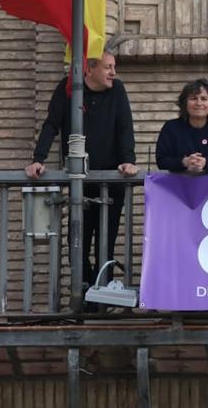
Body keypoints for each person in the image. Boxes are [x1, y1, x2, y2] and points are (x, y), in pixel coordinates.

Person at [25, 48, 137, 287]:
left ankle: (101, 303)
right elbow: (51, 125)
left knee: (105, 244)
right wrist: (39, 159)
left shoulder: (117, 90)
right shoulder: (68, 89)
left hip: (111, 182)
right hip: (80, 182)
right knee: (77, 244)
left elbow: (125, 127)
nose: (113, 73)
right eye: (108, 67)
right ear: (89, 69)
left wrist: (129, 160)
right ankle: (85, 296)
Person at [155, 79, 208, 173]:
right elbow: (161, 161)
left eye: (204, 99)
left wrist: (206, 163)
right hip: (179, 185)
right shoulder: (171, 127)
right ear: (184, 103)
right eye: (193, 98)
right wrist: (184, 162)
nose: (199, 103)